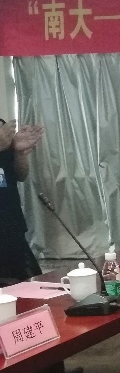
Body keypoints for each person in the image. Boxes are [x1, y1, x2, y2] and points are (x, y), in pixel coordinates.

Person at [0, 119, 44, 282]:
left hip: (10, 221)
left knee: (23, 285)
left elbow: (20, 175)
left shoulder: (2, 128)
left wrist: (19, 153)